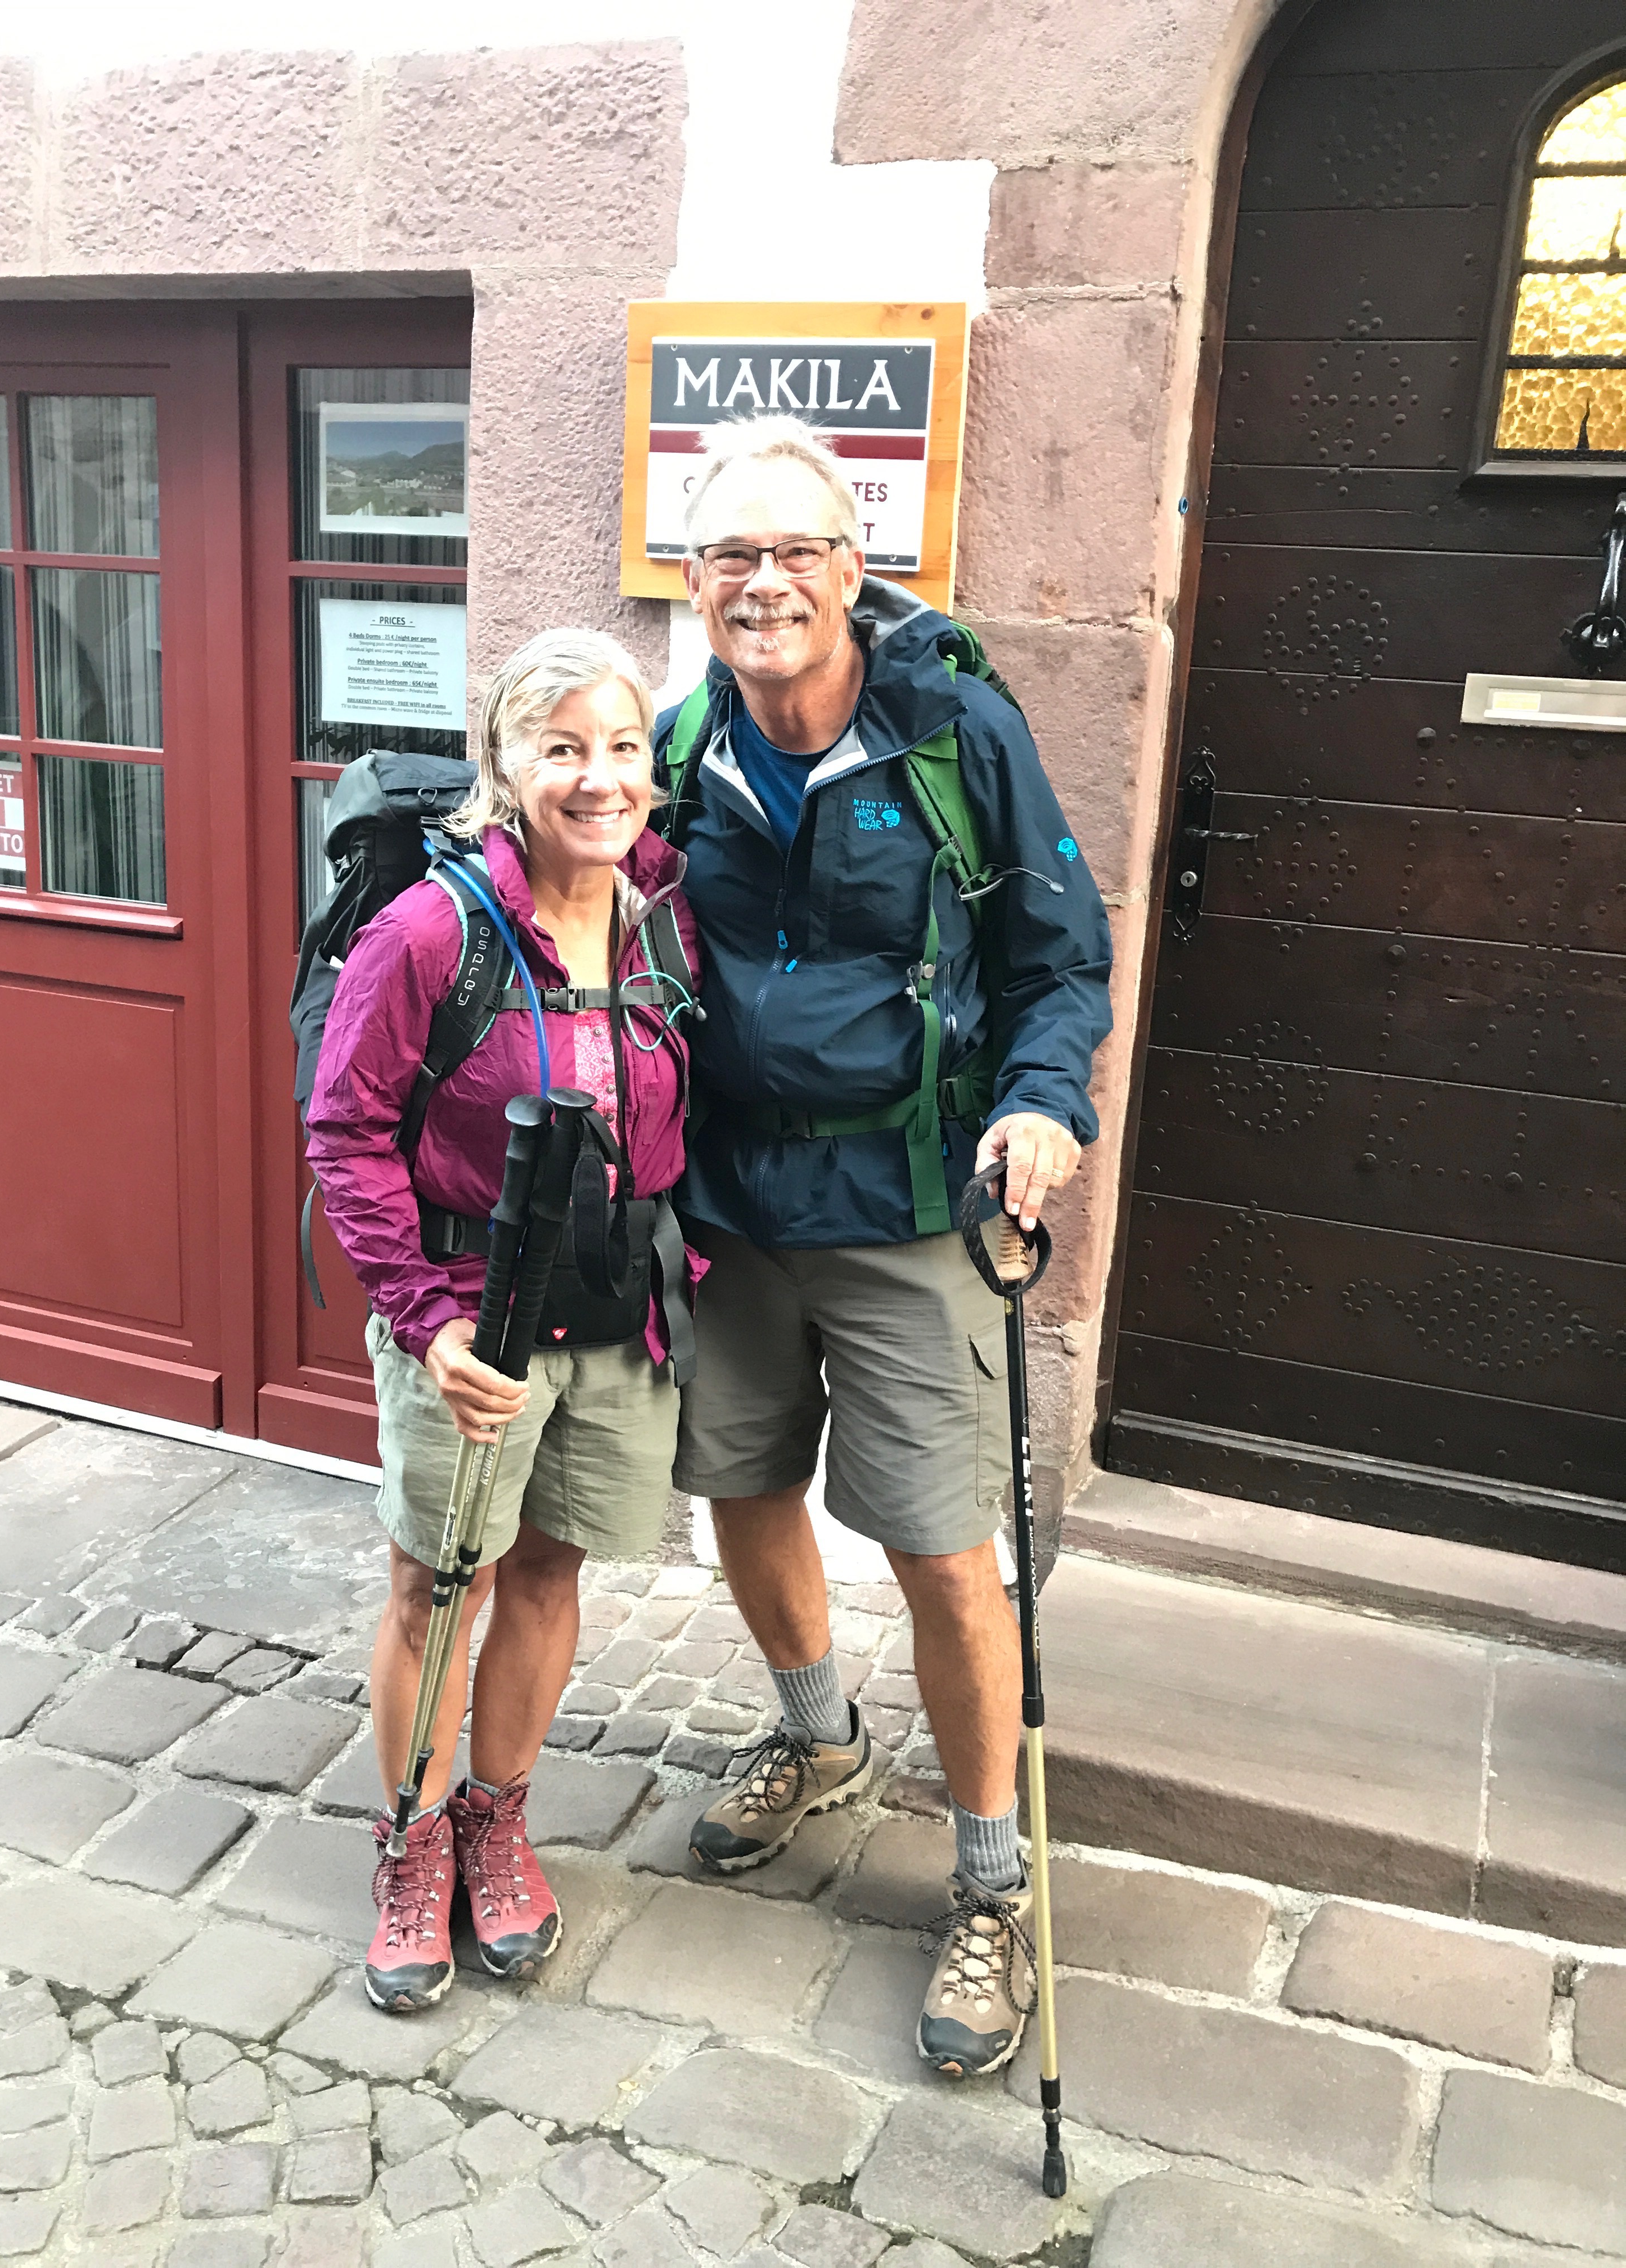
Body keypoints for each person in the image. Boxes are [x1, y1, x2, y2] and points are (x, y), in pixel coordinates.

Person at [656, 416, 1112, 2079]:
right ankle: (818, 1736)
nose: (764, 583)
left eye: (797, 551)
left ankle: (990, 1884)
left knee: (942, 1549)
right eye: (732, 555)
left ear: (852, 568)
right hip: (728, 1200)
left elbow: (1061, 958)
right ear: (694, 581)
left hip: (914, 1207)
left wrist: (1043, 1104)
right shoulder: (679, 740)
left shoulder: (955, 731)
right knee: (742, 1486)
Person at [308, 628, 700, 2014]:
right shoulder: (433, 932)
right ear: (504, 764)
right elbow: (346, 1133)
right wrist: (426, 1322)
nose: (601, 778)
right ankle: (412, 1845)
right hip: (470, 1322)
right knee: (441, 1584)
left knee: (547, 1571)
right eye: (564, 749)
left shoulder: (666, 916)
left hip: (617, 1314)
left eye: (624, 748)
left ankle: (497, 1819)